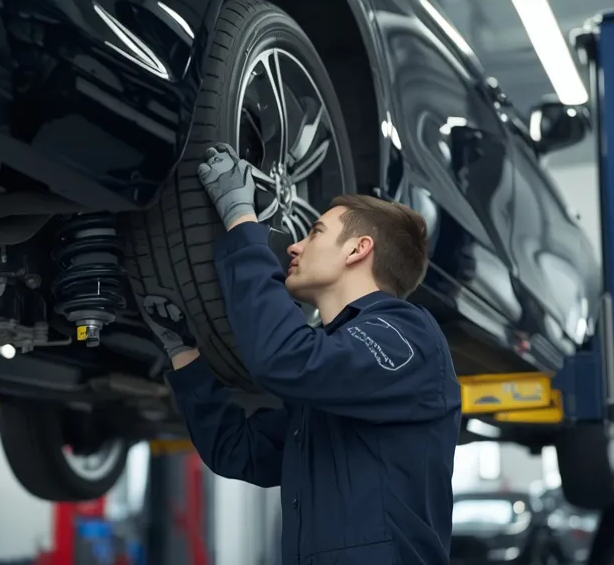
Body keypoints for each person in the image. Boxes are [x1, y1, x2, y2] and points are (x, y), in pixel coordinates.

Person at [139, 143, 462, 565]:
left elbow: (286, 359)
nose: (293, 247)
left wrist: (241, 219)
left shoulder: (406, 335)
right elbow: (243, 453)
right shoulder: (338, 377)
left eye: (315, 233)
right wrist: (184, 353)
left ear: (357, 249)